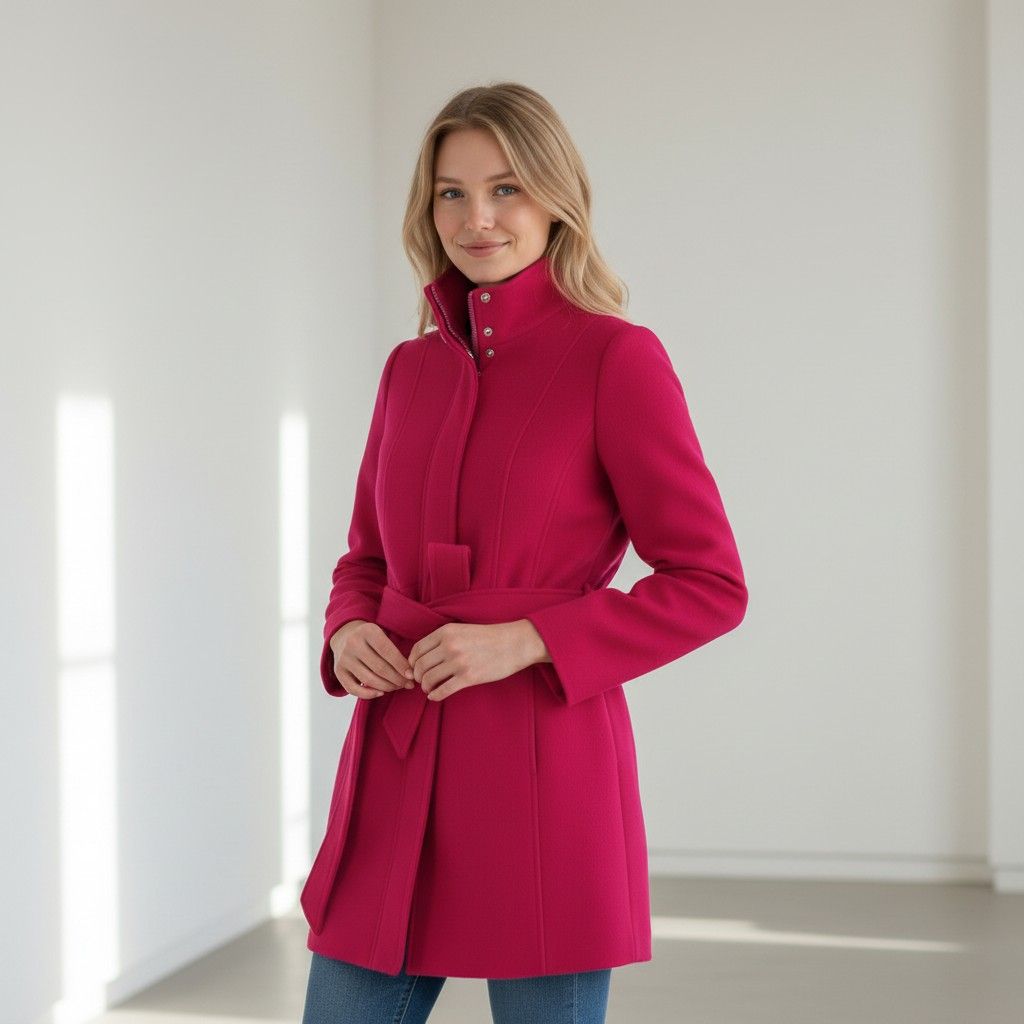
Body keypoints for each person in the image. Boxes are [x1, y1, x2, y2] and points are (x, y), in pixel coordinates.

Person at [299, 81, 748, 1024]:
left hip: (544, 772)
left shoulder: (615, 358)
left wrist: (529, 639)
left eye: (505, 188)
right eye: (452, 193)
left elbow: (710, 583)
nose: (478, 218)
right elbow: (365, 560)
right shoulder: (408, 369)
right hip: (396, 767)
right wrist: (347, 632)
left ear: (556, 198)